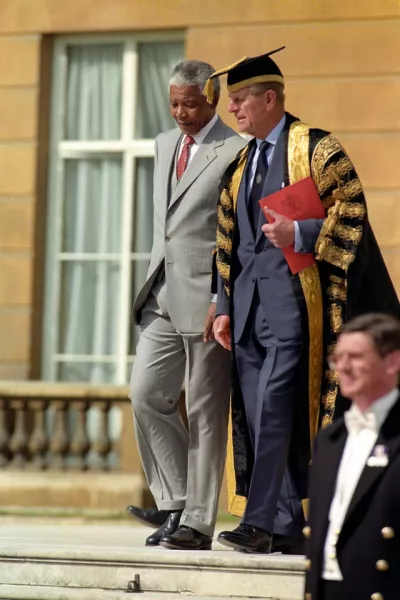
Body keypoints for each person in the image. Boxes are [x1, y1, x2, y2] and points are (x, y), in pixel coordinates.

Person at [204, 47, 400, 554]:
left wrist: (303, 230)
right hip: (246, 312)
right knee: (257, 409)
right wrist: (222, 304)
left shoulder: (316, 148)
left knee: (273, 407)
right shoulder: (240, 162)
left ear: (270, 98)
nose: (233, 110)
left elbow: (353, 209)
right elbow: (226, 239)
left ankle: (261, 521)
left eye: (242, 99)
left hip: (297, 307)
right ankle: (290, 525)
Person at [128, 60, 246, 551]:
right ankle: (174, 501)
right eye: (174, 102)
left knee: (203, 410)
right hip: (160, 294)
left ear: (212, 99)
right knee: (146, 394)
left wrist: (222, 298)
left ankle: (196, 522)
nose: (181, 112)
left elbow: (235, 235)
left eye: (191, 103)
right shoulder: (161, 144)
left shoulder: (235, 150)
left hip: (206, 300)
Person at [305, 312, 400, 600]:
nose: (343, 367)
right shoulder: (329, 441)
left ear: (393, 362)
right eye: (338, 358)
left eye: (356, 357)